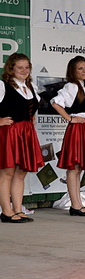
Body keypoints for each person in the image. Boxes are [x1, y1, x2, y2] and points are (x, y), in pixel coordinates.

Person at [50, 56, 85, 217]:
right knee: (73, 167)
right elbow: (55, 102)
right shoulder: (71, 87)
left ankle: (77, 203)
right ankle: (76, 205)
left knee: (78, 168)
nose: (84, 71)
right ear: (73, 71)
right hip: (77, 130)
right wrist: (70, 118)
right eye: (80, 68)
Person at [0, 53, 44, 223]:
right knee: (7, 173)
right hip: (10, 133)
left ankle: (18, 209)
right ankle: (6, 211)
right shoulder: (3, 86)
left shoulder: (30, 87)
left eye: (27, 67)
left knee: (20, 172)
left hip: (26, 133)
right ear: (11, 69)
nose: (24, 71)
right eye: (20, 67)